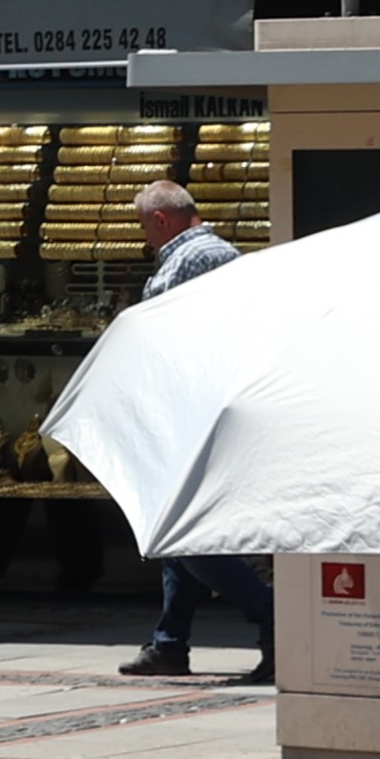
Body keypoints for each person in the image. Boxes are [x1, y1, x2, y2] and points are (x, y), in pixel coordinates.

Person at [114, 182, 266, 681]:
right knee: (176, 527)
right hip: (193, 409)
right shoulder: (208, 254)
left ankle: (271, 618)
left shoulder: (195, 259)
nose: (146, 239)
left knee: (182, 536)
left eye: (144, 228)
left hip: (193, 411)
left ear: (160, 220)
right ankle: (170, 642)